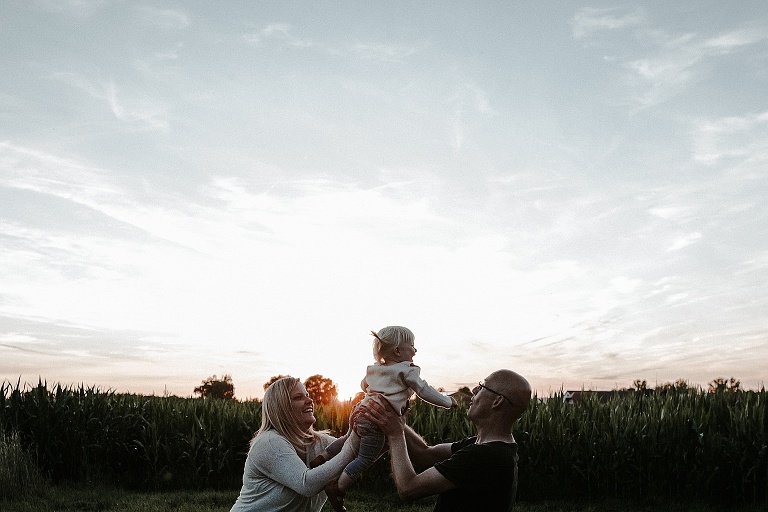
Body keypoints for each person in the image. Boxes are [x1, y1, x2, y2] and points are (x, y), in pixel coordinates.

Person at [313, 326, 457, 511]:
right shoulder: (407, 371)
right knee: (364, 458)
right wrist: (447, 401)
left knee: (348, 440)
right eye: (412, 346)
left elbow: (363, 384)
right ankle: (338, 487)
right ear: (398, 351)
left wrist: (373, 393)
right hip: (374, 421)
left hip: (359, 411)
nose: (415, 350)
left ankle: (322, 457)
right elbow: (424, 391)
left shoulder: (375, 369)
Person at [364, 369, 531, 512]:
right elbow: (424, 454)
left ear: (497, 401)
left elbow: (408, 488)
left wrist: (395, 435)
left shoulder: (485, 456)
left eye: (482, 387)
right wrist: (394, 416)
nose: (473, 390)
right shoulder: (485, 446)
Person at [230, 376, 359, 512]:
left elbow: (362, 452)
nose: (310, 400)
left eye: (307, 395)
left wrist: (378, 430)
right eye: (298, 397)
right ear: (282, 407)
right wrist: (351, 448)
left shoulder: (322, 443)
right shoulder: (269, 443)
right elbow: (306, 484)